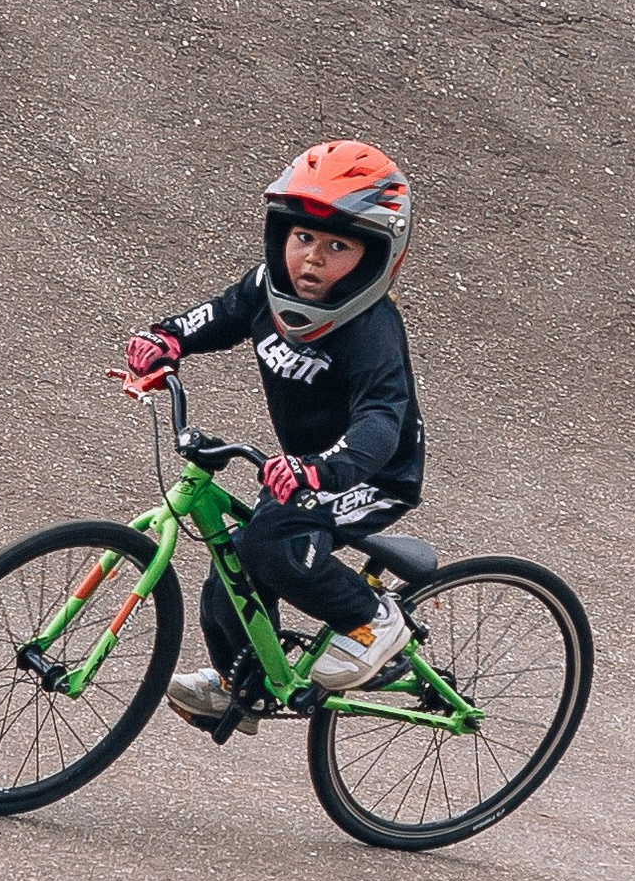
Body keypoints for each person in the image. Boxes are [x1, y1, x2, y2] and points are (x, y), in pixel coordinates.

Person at [124, 141, 425, 730]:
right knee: (230, 565)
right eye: (302, 239)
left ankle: (373, 620)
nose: (311, 259)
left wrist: (322, 470)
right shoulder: (267, 286)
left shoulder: (371, 331)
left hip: (371, 472)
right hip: (303, 466)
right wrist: (167, 340)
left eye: (338, 245)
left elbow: (381, 424)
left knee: (274, 546)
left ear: (375, 258)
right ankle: (244, 685)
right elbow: (220, 315)